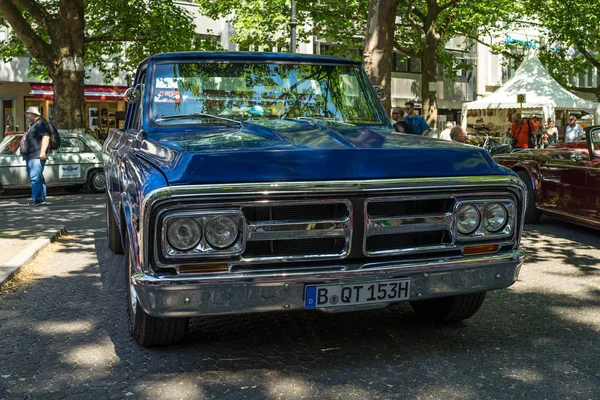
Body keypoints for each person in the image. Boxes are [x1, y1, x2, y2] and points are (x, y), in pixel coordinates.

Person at [20, 106, 50, 206]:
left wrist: (43, 152)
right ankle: (41, 199)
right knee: (38, 177)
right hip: (31, 156)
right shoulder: (33, 124)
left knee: (35, 178)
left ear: (33, 114)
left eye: (28, 113)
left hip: (36, 155)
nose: (26, 116)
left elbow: (46, 136)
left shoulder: (41, 123)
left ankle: (37, 199)